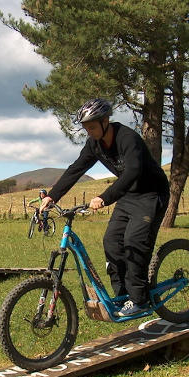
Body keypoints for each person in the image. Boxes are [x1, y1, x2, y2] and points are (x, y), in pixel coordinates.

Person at [44, 99, 170, 317]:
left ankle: (139, 300)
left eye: (92, 126)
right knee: (111, 242)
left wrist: (104, 197)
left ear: (105, 121)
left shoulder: (127, 138)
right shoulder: (94, 144)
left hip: (151, 194)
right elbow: (76, 169)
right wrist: (52, 196)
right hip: (129, 195)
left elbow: (132, 172)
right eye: (85, 128)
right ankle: (123, 297)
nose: (89, 131)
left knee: (133, 242)